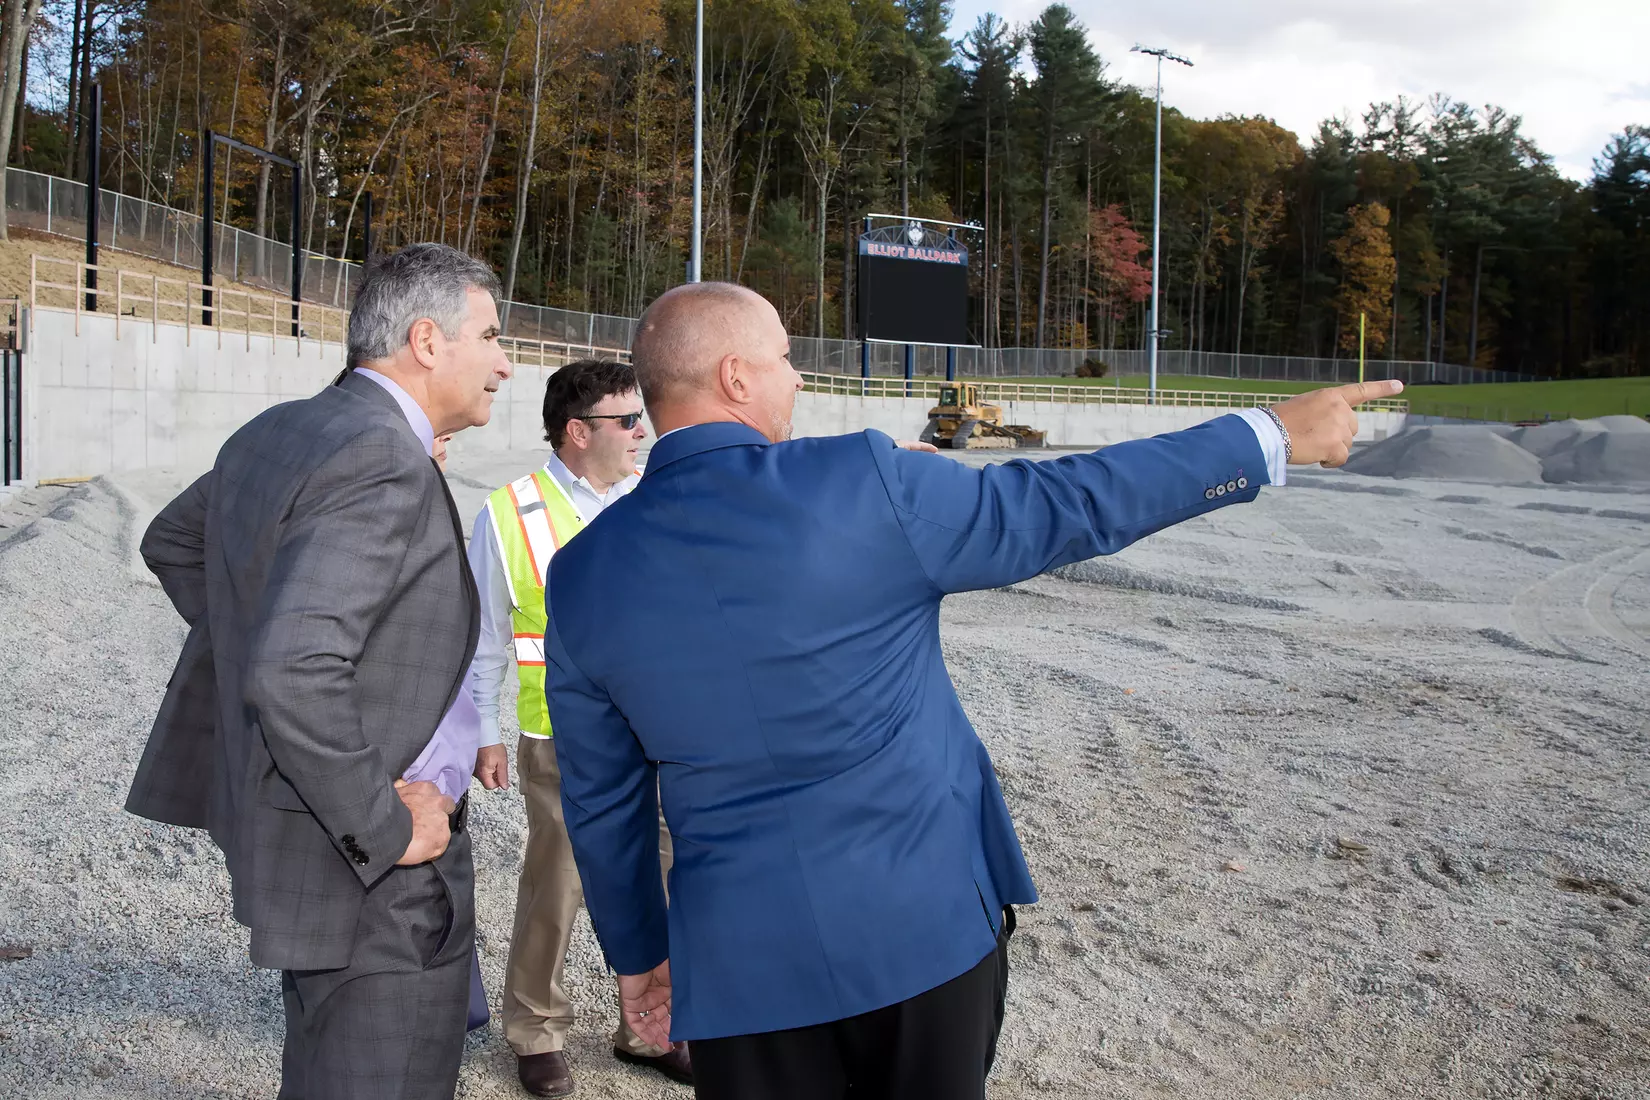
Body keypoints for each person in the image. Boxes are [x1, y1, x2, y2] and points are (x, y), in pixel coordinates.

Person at [541, 281, 1403, 1099]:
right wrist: (1267, 435)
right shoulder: (864, 481)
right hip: (921, 930)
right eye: (784, 357)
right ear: (736, 377)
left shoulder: (580, 573)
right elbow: (1074, 500)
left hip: (737, 964)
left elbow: (602, 798)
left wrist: (641, 953)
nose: (797, 375)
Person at [128, 243, 513, 1100]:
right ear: (426, 340)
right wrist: (380, 823)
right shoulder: (379, 460)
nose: (506, 362)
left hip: (315, 847)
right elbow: (295, 667)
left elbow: (174, 542)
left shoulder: (287, 429)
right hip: (377, 867)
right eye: (491, 335)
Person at [466, 359, 691, 1096]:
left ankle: (649, 1030)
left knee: (664, 881)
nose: (641, 432)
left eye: (640, 418)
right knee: (557, 886)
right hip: (561, 738)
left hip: (659, 734)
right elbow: (484, 639)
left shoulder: (655, 500)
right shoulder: (509, 514)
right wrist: (484, 731)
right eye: (626, 420)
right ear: (576, 431)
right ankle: (535, 1030)